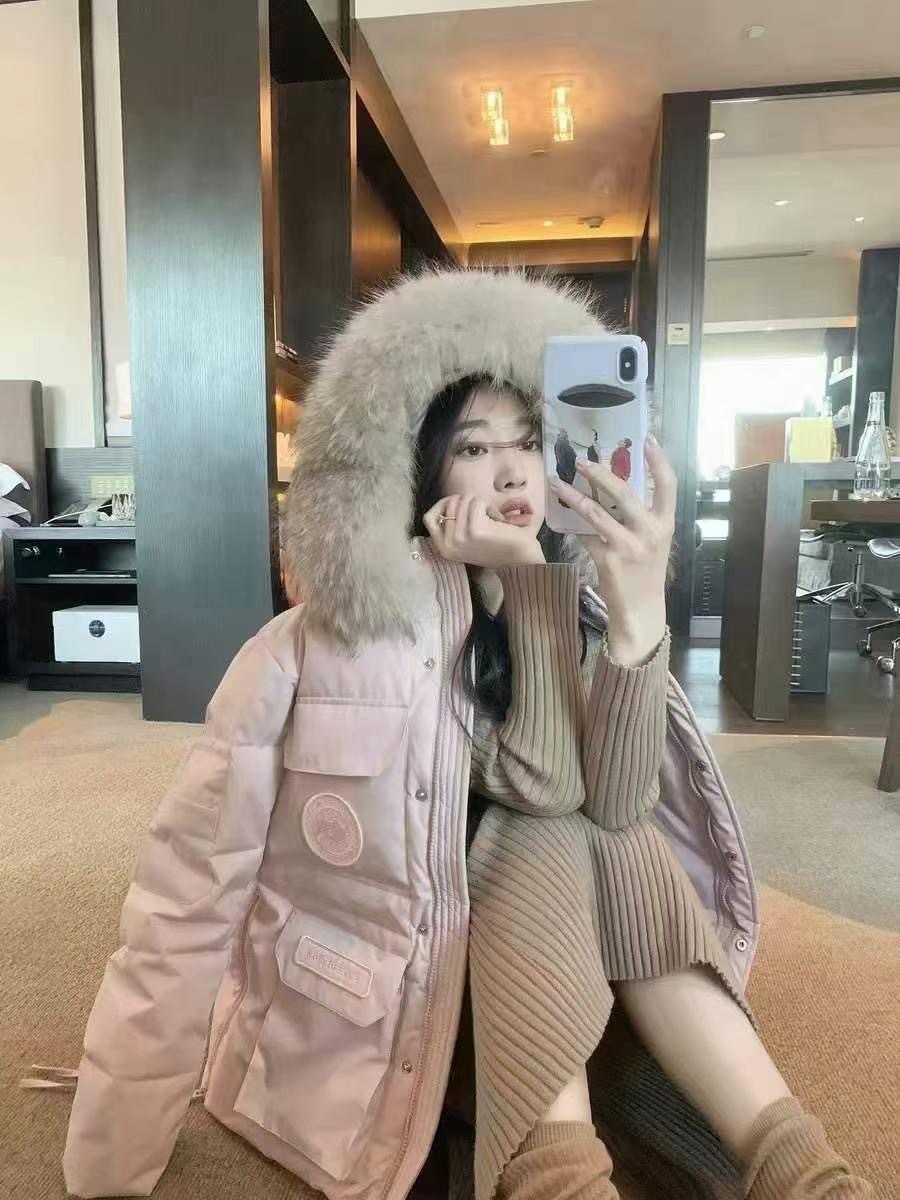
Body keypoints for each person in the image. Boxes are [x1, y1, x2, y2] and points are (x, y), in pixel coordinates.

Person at [51, 271, 870, 1200]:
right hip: (391, 1027)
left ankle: (806, 1175)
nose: (514, 473)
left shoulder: (566, 605)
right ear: (416, 470)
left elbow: (615, 805)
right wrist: (110, 1163)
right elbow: (188, 894)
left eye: (529, 442)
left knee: (605, 834)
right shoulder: (306, 653)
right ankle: (560, 1177)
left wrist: (631, 612)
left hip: (547, 995)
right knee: (542, 829)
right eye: (475, 447)